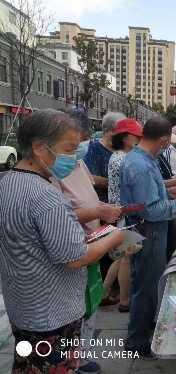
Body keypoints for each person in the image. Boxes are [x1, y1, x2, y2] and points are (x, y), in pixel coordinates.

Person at [0, 109, 124, 373]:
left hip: (23, 305)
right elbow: (75, 258)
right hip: (52, 313)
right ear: (39, 147)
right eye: (69, 148)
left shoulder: (8, 182)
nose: (72, 156)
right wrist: (115, 237)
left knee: (27, 364)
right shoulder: (46, 196)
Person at [52, 109, 123, 374]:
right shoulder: (52, 171)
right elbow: (61, 213)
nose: (80, 147)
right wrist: (98, 212)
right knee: (75, 311)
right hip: (74, 249)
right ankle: (74, 360)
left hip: (92, 241)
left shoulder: (76, 163)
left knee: (89, 305)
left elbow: (89, 195)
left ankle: (80, 357)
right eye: (74, 143)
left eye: (80, 140)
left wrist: (101, 209)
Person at [120, 116, 176, 357]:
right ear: (163, 140)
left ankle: (143, 327)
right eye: (167, 142)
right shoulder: (139, 165)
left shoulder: (142, 159)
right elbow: (150, 210)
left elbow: (151, 190)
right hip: (147, 231)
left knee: (148, 284)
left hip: (149, 231)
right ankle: (137, 341)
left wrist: (169, 189)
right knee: (146, 287)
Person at [102, 118, 144, 313]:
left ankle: (103, 293)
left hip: (120, 211)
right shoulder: (124, 160)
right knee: (127, 256)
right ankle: (125, 301)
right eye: (137, 136)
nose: (140, 140)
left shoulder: (117, 156)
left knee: (120, 257)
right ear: (127, 138)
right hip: (126, 212)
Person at [84, 111, 126, 203]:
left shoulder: (123, 149)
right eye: (122, 131)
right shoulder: (93, 149)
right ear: (110, 131)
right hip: (104, 205)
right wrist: (118, 183)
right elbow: (91, 178)